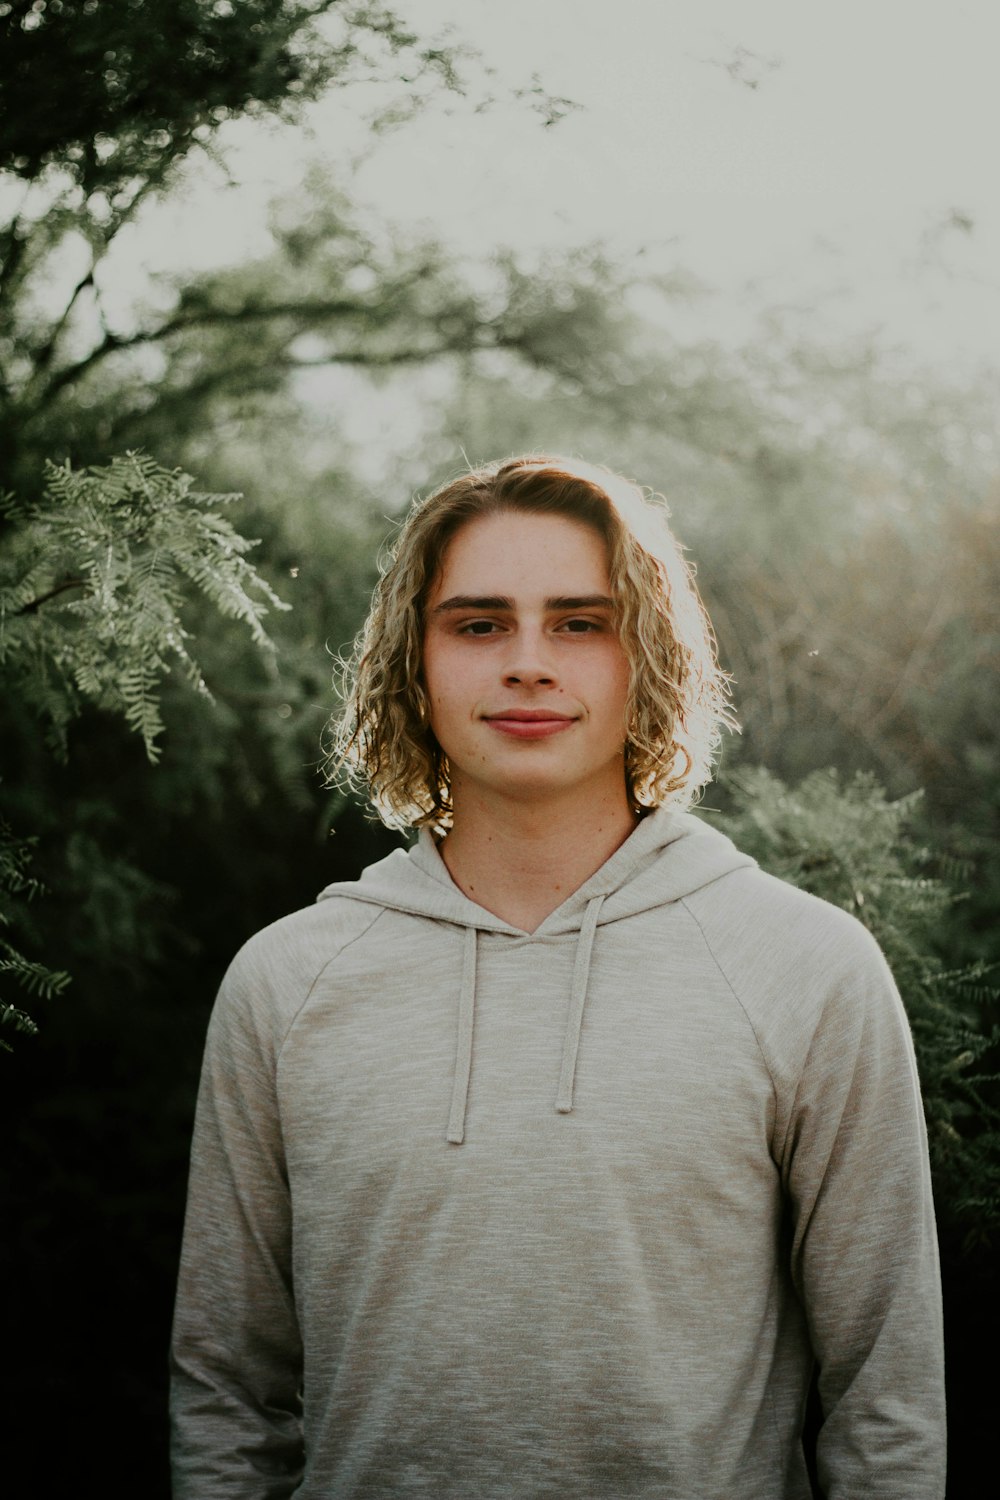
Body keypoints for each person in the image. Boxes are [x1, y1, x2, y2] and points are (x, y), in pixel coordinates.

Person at [170, 455, 946, 1498]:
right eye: (478, 624)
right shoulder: (286, 982)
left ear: (650, 657)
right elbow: (225, 1390)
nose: (528, 663)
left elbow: (886, 1401)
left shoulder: (804, 969)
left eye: (581, 623)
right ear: (414, 661)